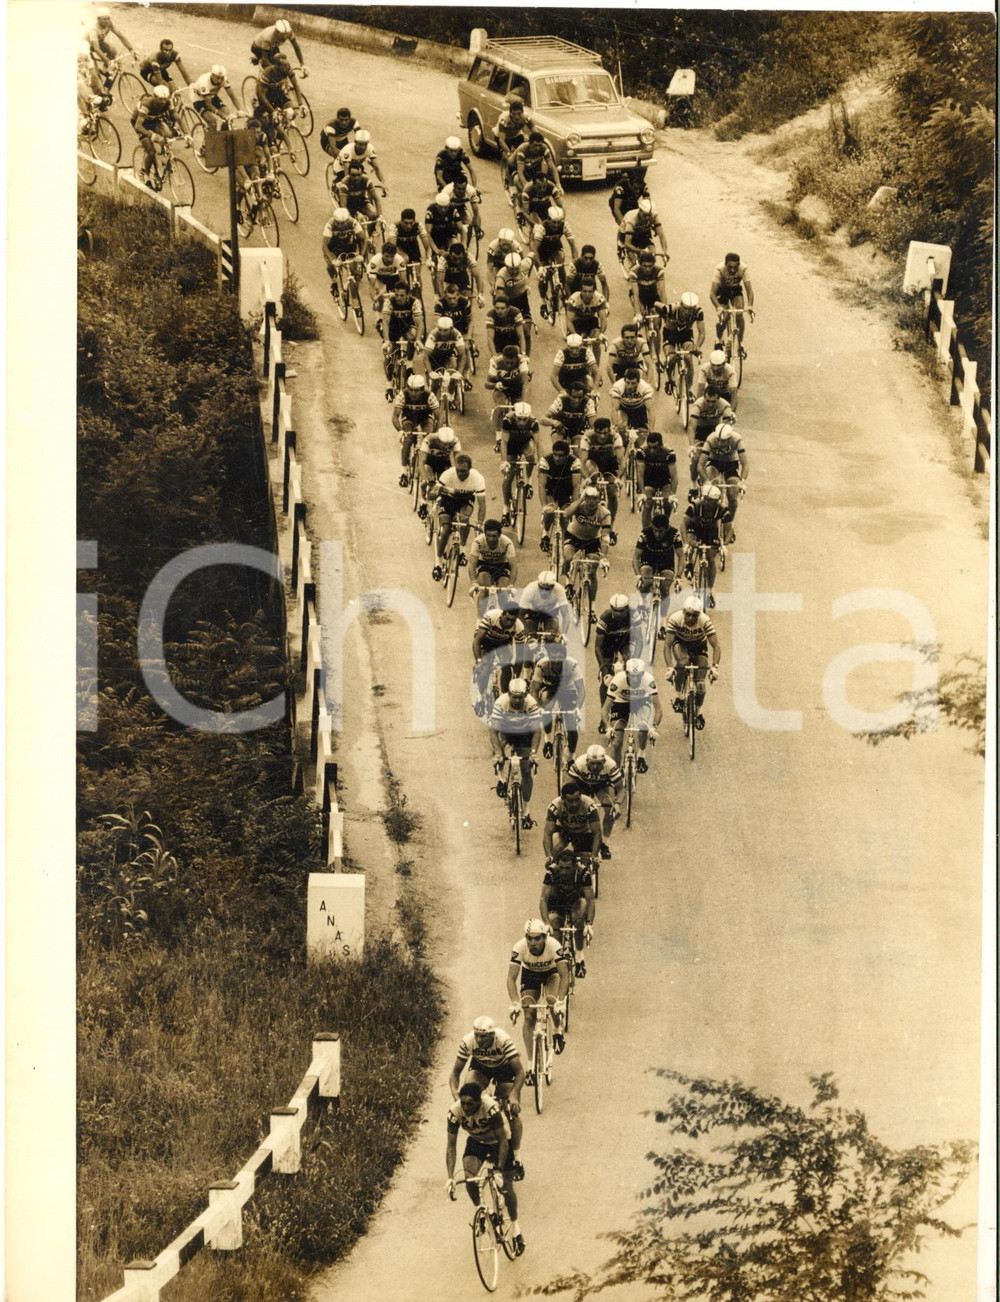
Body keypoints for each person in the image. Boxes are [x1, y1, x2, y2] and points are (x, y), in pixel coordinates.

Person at [445, 1082, 525, 1257]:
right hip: (477, 1142)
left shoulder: (491, 1108)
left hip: (499, 1143)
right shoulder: (454, 1112)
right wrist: (450, 1177)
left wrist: (498, 1170)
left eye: (470, 1104)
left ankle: (516, 1230)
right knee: (469, 1178)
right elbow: (451, 1146)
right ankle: (482, 1212)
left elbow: (503, 1141)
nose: (465, 1107)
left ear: (479, 1102)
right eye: (463, 1103)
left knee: (506, 1187)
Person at [448, 1018, 526, 1178]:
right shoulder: (468, 1041)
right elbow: (455, 1074)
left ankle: (516, 1157)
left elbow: (520, 1073)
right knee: (469, 1089)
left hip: (504, 1068)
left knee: (512, 1111)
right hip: (481, 1067)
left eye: (483, 1036)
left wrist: (513, 1095)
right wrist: (456, 1096)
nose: (479, 1040)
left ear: (492, 1035)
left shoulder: (503, 1040)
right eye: (476, 1035)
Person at [507, 919, 571, 1061]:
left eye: (537, 939)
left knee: (551, 1000)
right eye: (529, 938)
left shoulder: (554, 945)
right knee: (529, 1015)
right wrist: (515, 1002)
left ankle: (557, 1030)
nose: (533, 943)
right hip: (530, 975)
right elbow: (511, 979)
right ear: (525, 938)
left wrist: (560, 1002)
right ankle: (531, 1064)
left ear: (545, 937)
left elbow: (564, 975)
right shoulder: (519, 947)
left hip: (551, 973)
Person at [490, 677, 543, 829]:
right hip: (506, 731)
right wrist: (499, 753)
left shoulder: (531, 704)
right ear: (509, 695)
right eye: (515, 697)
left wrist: (533, 753)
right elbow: (493, 730)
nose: (518, 700)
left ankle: (526, 812)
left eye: (521, 697)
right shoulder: (501, 703)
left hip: (524, 734)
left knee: (526, 771)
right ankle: (501, 779)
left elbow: (536, 731)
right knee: (498, 754)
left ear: (525, 695)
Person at [664, 595, 721, 728]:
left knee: (700, 686)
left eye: (694, 615)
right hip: (681, 643)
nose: (690, 618)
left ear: (699, 614)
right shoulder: (675, 619)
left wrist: (714, 667)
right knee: (682, 663)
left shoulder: (705, 621)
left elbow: (716, 646)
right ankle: (679, 697)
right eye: (688, 614)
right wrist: (669, 668)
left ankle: (699, 713)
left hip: (699, 645)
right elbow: (667, 645)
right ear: (683, 612)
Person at [540, 849, 596, 978]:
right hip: (556, 902)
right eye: (562, 868)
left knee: (580, 918)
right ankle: (557, 960)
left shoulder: (583, 873)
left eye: (568, 868)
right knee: (555, 931)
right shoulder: (552, 872)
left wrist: (589, 924)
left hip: (575, 901)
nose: (564, 872)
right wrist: (547, 923)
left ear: (575, 866)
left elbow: (590, 900)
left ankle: (579, 957)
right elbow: (543, 899)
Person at [430, 453, 486, 575]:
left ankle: (462, 549)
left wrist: (480, 524)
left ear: (470, 469)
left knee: (464, 520)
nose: (460, 474)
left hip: (465, 501)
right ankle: (438, 561)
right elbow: (431, 494)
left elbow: (482, 505)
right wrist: (438, 490)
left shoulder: (478, 478)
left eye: (464, 471)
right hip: (447, 500)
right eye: (458, 470)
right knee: (446, 528)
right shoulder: (448, 474)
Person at [602, 658, 662, 771]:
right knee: (616, 741)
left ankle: (641, 755)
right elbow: (605, 708)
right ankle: (615, 772)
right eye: (631, 675)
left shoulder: (648, 680)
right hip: (621, 702)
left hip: (641, 701)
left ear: (642, 674)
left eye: (638, 675)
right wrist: (608, 727)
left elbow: (658, 708)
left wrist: (654, 727)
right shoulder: (618, 680)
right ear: (626, 673)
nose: (634, 678)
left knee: (643, 725)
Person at [529, 645, 584, 764]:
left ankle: (571, 755)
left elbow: (581, 690)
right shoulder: (542, 665)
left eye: (560, 658)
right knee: (546, 707)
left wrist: (578, 709)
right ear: (549, 657)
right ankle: (548, 739)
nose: (557, 660)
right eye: (554, 657)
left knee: (571, 725)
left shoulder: (573, 665)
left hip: (568, 690)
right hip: (549, 689)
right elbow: (534, 689)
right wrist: (538, 707)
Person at [566, 745, 623, 858]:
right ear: (587, 761)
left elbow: (621, 789)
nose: (595, 767)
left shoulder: (611, 765)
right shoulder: (579, 764)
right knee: (579, 807)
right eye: (592, 763)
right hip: (582, 785)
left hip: (601, 786)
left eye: (599, 763)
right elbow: (568, 787)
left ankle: (604, 844)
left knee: (609, 808)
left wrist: (617, 804)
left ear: (604, 761)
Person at [632, 513, 681, 639]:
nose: (657, 534)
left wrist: (679, 577)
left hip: (666, 561)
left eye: (660, 531)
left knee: (665, 588)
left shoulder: (674, 534)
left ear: (667, 529)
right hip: (649, 560)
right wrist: (638, 575)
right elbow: (636, 556)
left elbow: (681, 556)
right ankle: (642, 604)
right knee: (646, 581)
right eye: (655, 530)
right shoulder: (645, 533)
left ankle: (663, 623)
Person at [682, 483, 730, 604]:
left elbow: (730, 528)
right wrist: (686, 543)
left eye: (713, 501)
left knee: (711, 557)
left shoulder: (722, 508)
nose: (709, 504)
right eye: (707, 501)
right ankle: (689, 563)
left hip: (711, 531)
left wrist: (724, 544)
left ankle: (709, 591)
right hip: (695, 527)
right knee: (692, 543)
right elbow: (684, 525)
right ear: (703, 498)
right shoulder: (695, 506)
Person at [594, 592, 642, 707]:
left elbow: (639, 641)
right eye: (615, 610)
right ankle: (603, 711)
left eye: (621, 611)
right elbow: (597, 647)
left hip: (624, 641)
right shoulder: (604, 618)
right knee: (606, 680)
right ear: (611, 608)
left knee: (629, 660)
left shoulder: (634, 615)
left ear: (627, 609)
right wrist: (604, 670)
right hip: (608, 643)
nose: (618, 613)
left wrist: (633, 664)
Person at [561, 486, 611, 596]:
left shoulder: (604, 513)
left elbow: (605, 537)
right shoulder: (579, 506)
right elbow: (566, 514)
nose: (591, 502)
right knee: (569, 558)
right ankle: (569, 583)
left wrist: (604, 558)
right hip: (573, 536)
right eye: (588, 498)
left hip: (592, 541)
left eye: (595, 499)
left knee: (592, 572)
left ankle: (591, 608)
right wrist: (580, 499)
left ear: (599, 500)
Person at [473, 606, 526, 707]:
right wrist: (478, 661)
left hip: (503, 643)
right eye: (507, 619)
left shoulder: (519, 627)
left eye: (513, 621)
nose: (509, 623)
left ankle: (505, 695)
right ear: (502, 615)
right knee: (484, 669)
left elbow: (520, 654)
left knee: (506, 666)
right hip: (486, 641)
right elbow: (477, 641)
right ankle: (481, 697)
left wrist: (515, 676)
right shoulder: (491, 617)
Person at [537, 440, 584, 552]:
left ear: (567, 455)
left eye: (561, 456)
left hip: (567, 490)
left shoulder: (574, 461)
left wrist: (573, 507)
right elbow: (541, 485)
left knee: (565, 517)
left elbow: (576, 486)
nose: (557, 458)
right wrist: (544, 507)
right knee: (550, 510)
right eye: (555, 454)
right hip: (551, 490)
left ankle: (565, 545)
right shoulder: (545, 460)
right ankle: (546, 533)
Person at [531, 206, 578, 318]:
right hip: (542, 250)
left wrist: (575, 262)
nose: (557, 225)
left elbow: (573, 245)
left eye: (558, 222)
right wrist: (540, 267)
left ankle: (562, 291)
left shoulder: (564, 225)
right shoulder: (542, 227)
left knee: (561, 267)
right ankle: (543, 302)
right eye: (554, 222)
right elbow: (534, 249)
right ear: (548, 219)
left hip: (555, 247)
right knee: (544, 277)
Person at [697, 423, 747, 525]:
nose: (719, 443)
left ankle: (729, 522)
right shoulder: (711, 439)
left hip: (731, 464)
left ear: (729, 439)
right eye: (718, 440)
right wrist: (706, 481)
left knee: (733, 496)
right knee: (712, 489)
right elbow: (700, 465)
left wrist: (742, 481)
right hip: (714, 462)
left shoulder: (737, 439)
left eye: (723, 441)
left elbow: (745, 464)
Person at [496, 403, 538, 522]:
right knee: (508, 477)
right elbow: (504, 443)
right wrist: (504, 462)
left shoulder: (534, 421)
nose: (522, 423)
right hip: (511, 445)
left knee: (531, 456)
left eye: (525, 419)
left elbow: (538, 443)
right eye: (519, 419)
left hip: (525, 442)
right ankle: (505, 509)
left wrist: (541, 460)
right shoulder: (508, 420)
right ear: (514, 416)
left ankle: (529, 482)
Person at [578, 420, 624, 531]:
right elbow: (582, 462)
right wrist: (586, 478)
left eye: (605, 433)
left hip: (609, 463)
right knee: (592, 477)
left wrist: (618, 478)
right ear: (594, 431)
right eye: (599, 433)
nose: (602, 436)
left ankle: (611, 523)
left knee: (612, 492)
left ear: (610, 430)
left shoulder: (615, 436)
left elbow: (621, 461)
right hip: (593, 461)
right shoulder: (587, 437)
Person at [394, 373, 439, 480]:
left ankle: (428, 466)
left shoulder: (429, 395)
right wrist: (400, 431)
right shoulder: (403, 394)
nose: (413, 393)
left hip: (425, 418)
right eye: (411, 389)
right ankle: (403, 472)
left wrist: (435, 432)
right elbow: (395, 416)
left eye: (417, 390)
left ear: (423, 389)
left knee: (429, 441)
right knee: (408, 439)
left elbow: (439, 415)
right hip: (409, 418)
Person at [130, 84, 181, 180]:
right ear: (154, 97)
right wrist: (152, 135)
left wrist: (187, 135)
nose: (163, 102)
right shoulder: (147, 104)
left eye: (164, 99)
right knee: (151, 151)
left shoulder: (167, 101)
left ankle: (164, 159)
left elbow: (177, 117)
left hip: (154, 120)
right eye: (160, 99)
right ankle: (145, 173)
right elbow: (138, 126)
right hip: (140, 124)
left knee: (168, 135)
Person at [542, 783, 602, 862]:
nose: (574, 804)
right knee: (556, 851)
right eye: (570, 801)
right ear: (563, 798)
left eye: (577, 799)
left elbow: (597, 833)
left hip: (584, 832)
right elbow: (547, 834)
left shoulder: (589, 805)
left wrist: (594, 856)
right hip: (564, 832)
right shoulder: (555, 806)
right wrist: (549, 856)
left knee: (585, 860)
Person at [661, 291, 706, 396]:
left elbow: (702, 333)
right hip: (670, 334)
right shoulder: (671, 308)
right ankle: (669, 379)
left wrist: (696, 346)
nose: (687, 312)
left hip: (685, 335)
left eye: (691, 309)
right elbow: (656, 304)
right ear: (680, 304)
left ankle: (689, 389)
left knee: (688, 357)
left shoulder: (698, 312)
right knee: (671, 358)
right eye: (685, 308)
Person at [688, 385, 736, 480]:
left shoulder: (725, 405)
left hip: (715, 430)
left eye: (713, 401)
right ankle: (693, 483)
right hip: (701, 430)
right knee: (696, 457)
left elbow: (726, 426)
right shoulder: (697, 405)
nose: (710, 404)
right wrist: (691, 446)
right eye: (708, 401)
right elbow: (692, 428)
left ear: (719, 399)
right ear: (704, 398)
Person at [382, 281, 424, 387]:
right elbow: (385, 322)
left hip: (407, 327)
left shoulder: (415, 302)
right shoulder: (389, 302)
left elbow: (420, 323)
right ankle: (389, 386)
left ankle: (409, 363)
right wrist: (387, 340)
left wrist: (418, 340)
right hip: (393, 328)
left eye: (402, 295)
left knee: (413, 336)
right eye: (396, 295)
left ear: (408, 295)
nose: (399, 298)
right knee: (390, 356)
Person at [710, 252, 755, 350]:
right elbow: (712, 293)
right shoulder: (719, 269)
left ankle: (740, 343)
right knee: (724, 317)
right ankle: (718, 338)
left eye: (735, 267)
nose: (733, 270)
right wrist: (718, 307)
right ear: (725, 264)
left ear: (739, 264)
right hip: (722, 290)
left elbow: (749, 290)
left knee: (739, 313)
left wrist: (750, 305)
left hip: (735, 290)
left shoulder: (743, 268)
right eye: (730, 267)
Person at [495, 252, 537, 353]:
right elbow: (500, 297)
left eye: (516, 269)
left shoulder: (525, 264)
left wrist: (528, 279)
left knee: (526, 328)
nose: (514, 271)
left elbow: (532, 255)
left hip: (522, 298)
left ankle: (526, 356)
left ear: (520, 265)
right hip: (508, 300)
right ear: (506, 267)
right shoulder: (501, 275)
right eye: (511, 269)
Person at [321, 208, 369, 295]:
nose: (341, 225)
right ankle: (334, 282)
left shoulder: (353, 222)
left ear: (347, 220)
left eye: (343, 223)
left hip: (348, 246)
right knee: (331, 266)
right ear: (335, 221)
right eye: (338, 223)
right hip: (333, 248)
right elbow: (324, 245)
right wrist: (333, 260)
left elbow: (364, 239)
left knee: (353, 271)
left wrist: (361, 255)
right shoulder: (329, 225)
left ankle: (355, 300)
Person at [635, 432, 678, 528]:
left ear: (661, 445)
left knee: (668, 502)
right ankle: (646, 530)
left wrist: (673, 494)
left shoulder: (669, 452)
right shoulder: (641, 452)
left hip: (664, 480)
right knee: (648, 503)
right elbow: (640, 474)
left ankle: (665, 522)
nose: (652, 450)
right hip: (649, 480)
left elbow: (674, 475)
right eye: (649, 447)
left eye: (655, 447)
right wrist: (642, 493)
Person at [566, 278, 608, 368]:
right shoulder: (573, 299)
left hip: (591, 321)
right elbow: (569, 321)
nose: (587, 294)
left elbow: (603, 319)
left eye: (590, 291)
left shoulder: (599, 299)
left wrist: (601, 333)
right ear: (580, 290)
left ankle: (596, 368)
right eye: (584, 291)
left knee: (596, 342)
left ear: (594, 291)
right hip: (577, 322)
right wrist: (575, 336)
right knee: (575, 345)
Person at [539, 384, 596, 451]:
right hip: (561, 429)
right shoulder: (561, 400)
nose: (577, 400)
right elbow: (542, 419)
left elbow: (593, 426)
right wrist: (554, 422)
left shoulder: (588, 402)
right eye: (574, 397)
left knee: (579, 451)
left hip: (578, 430)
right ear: (568, 395)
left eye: (580, 397)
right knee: (559, 447)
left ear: (584, 396)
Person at [469, 519, 518, 597]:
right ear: (484, 534)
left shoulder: (507, 542)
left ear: (499, 535)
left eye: (494, 536)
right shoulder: (478, 541)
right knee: (483, 582)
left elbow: (514, 566)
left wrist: (510, 585)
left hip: (501, 566)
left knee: (503, 588)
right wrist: (474, 582)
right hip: (485, 566)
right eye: (488, 536)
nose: (491, 539)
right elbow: (472, 563)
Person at [84, 6, 137, 77]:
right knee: (94, 73)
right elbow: (97, 49)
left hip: (97, 41)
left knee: (112, 51)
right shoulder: (93, 29)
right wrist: (109, 62)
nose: (107, 21)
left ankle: (103, 71)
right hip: (85, 45)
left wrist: (131, 50)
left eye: (108, 18)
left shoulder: (109, 23)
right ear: (98, 19)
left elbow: (120, 36)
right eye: (104, 19)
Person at [518, 570, 572, 639]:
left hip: (550, 613)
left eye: (547, 589)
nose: (543, 592)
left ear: (552, 587)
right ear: (538, 585)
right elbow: (520, 614)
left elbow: (566, 614)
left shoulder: (559, 589)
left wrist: (564, 634)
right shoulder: (530, 588)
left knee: (551, 638)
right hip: (532, 613)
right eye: (541, 588)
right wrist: (526, 630)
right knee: (530, 638)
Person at [421, 316, 470, 389]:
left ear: (451, 328)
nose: (442, 333)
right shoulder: (433, 335)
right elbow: (425, 356)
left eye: (446, 330)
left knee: (452, 373)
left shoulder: (456, 334)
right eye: (440, 330)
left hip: (448, 356)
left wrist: (459, 372)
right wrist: (430, 372)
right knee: (434, 386)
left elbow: (462, 356)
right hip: (434, 358)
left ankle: (452, 394)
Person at [386, 209, 432, 287]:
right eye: (406, 223)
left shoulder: (418, 226)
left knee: (417, 276)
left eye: (411, 223)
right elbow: (392, 247)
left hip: (413, 249)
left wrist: (429, 258)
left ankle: (417, 296)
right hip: (398, 248)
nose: (408, 226)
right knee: (405, 260)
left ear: (414, 221)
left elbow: (427, 247)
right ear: (401, 221)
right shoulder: (394, 227)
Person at [620, 196, 669, 265]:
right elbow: (628, 244)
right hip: (628, 234)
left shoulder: (654, 216)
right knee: (634, 262)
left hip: (643, 232)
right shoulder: (631, 220)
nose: (647, 218)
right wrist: (640, 251)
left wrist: (664, 252)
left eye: (649, 215)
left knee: (652, 258)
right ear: (640, 211)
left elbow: (661, 235)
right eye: (645, 215)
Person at [609, 367, 654, 440]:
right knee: (622, 428)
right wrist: (615, 426)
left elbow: (650, 410)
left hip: (638, 409)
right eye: (627, 382)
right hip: (623, 408)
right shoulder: (617, 386)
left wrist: (651, 429)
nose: (630, 386)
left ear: (638, 382)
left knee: (641, 436)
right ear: (624, 380)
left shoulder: (645, 387)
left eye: (633, 383)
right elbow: (614, 409)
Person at [256, 52, 305, 120]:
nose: (286, 67)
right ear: (277, 66)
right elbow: (262, 96)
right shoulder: (267, 73)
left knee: (291, 112)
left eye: (287, 65)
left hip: (277, 92)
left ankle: (285, 125)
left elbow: (296, 85)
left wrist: (301, 104)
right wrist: (272, 111)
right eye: (284, 65)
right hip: (266, 95)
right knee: (271, 120)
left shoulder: (287, 68)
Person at [336, 157, 382, 226]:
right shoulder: (344, 184)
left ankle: (371, 232)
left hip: (361, 201)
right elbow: (344, 206)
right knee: (349, 223)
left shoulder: (367, 181)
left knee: (373, 216)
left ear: (362, 173)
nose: (356, 178)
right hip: (348, 204)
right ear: (349, 174)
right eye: (353, 175)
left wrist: (379, 216)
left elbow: (377, 199)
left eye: (359, 175)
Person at [417, 427, 460, 500]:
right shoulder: (429, 439)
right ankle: (423, 498)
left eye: (448, 444)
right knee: (427, 477)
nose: (446, 447)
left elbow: (458, 461)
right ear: (438, 440)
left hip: (444, 460)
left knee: (445, 483)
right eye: (444, 444)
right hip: (430, 459)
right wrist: (424, 479)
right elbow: (421, 462)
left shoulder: (455, 441)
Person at [366, 241, 408, 316]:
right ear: (382, 254)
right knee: (380, 297)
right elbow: (371, 285)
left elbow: (403, 281)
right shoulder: (375, 261)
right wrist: (375, 300)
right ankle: (379, 318)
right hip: (378, 276)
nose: (389, 259)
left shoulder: (399, 259)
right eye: (386, 256)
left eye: (392, 256)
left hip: (392, 275)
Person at [494, 94, 534, 166]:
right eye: (514, 114)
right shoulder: (504, 119)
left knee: (524, 153)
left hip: (516, 135)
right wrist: (509, 153)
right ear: (510, 113)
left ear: (522, 112)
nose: (517, 117)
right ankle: (508, 173)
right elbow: (501, 140)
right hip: (502, 138)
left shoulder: (526, 117)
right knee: (510, 160)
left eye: (519, 114)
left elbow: (535, 132)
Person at [440, 176, 483, 244]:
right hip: (448, 209)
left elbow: (476, 213)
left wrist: (477, 227)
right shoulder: (446, 192)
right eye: (459, 189)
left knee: (469, 227)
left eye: (463, 188)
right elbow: (441, 211)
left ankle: (465, 248)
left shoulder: (471, 191)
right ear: (454, 186)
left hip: (461, 208)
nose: (461, 191)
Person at [626, 248, 667, 318]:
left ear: (654, 264)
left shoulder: (659, 271)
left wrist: (666, 310)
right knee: (641, 313)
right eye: (645, 266)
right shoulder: (634, 272)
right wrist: (638, 313)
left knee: (657, 319)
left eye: (650, 266)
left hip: (652, 293)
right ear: (640, 264)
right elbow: (636, 295)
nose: (647, 269)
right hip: (639, 295)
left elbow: (662, 292)